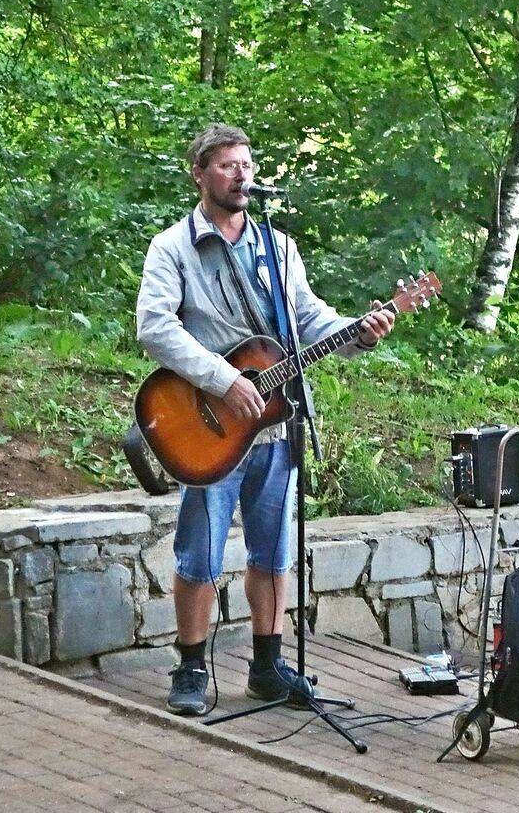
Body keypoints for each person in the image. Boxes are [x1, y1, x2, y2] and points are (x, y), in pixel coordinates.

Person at [136, 123, 395, 715]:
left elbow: (308, 319)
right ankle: (191, 668)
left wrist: (360, 332)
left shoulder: (277, 247)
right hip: (208, 428)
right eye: (227, 165)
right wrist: (222, 379)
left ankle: (267, 666)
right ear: (199, 174)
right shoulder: (172, 247)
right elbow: (154, 327)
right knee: (199, 554)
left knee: (274, 552)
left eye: (247, 164)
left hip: (276, 425)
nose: (241, 175)